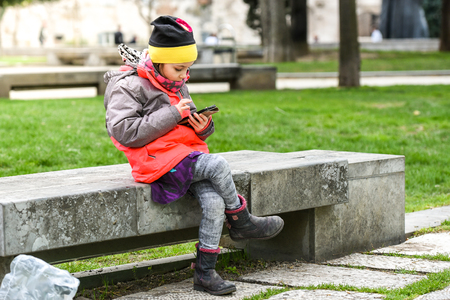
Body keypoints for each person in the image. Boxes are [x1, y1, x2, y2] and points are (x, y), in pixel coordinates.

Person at [103, 16, 284, 296]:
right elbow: (124, 131)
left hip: (183, 155)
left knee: (213, 203)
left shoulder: (174, 80)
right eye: (179, 68)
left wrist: (203, 128)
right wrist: (174, 113)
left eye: (188, 69)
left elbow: (184, 124)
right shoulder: (128, 86)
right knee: (218, 164)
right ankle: (242, 219)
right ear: (160, 61)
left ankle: (205, 273)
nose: (184, 75)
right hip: (156, 162)